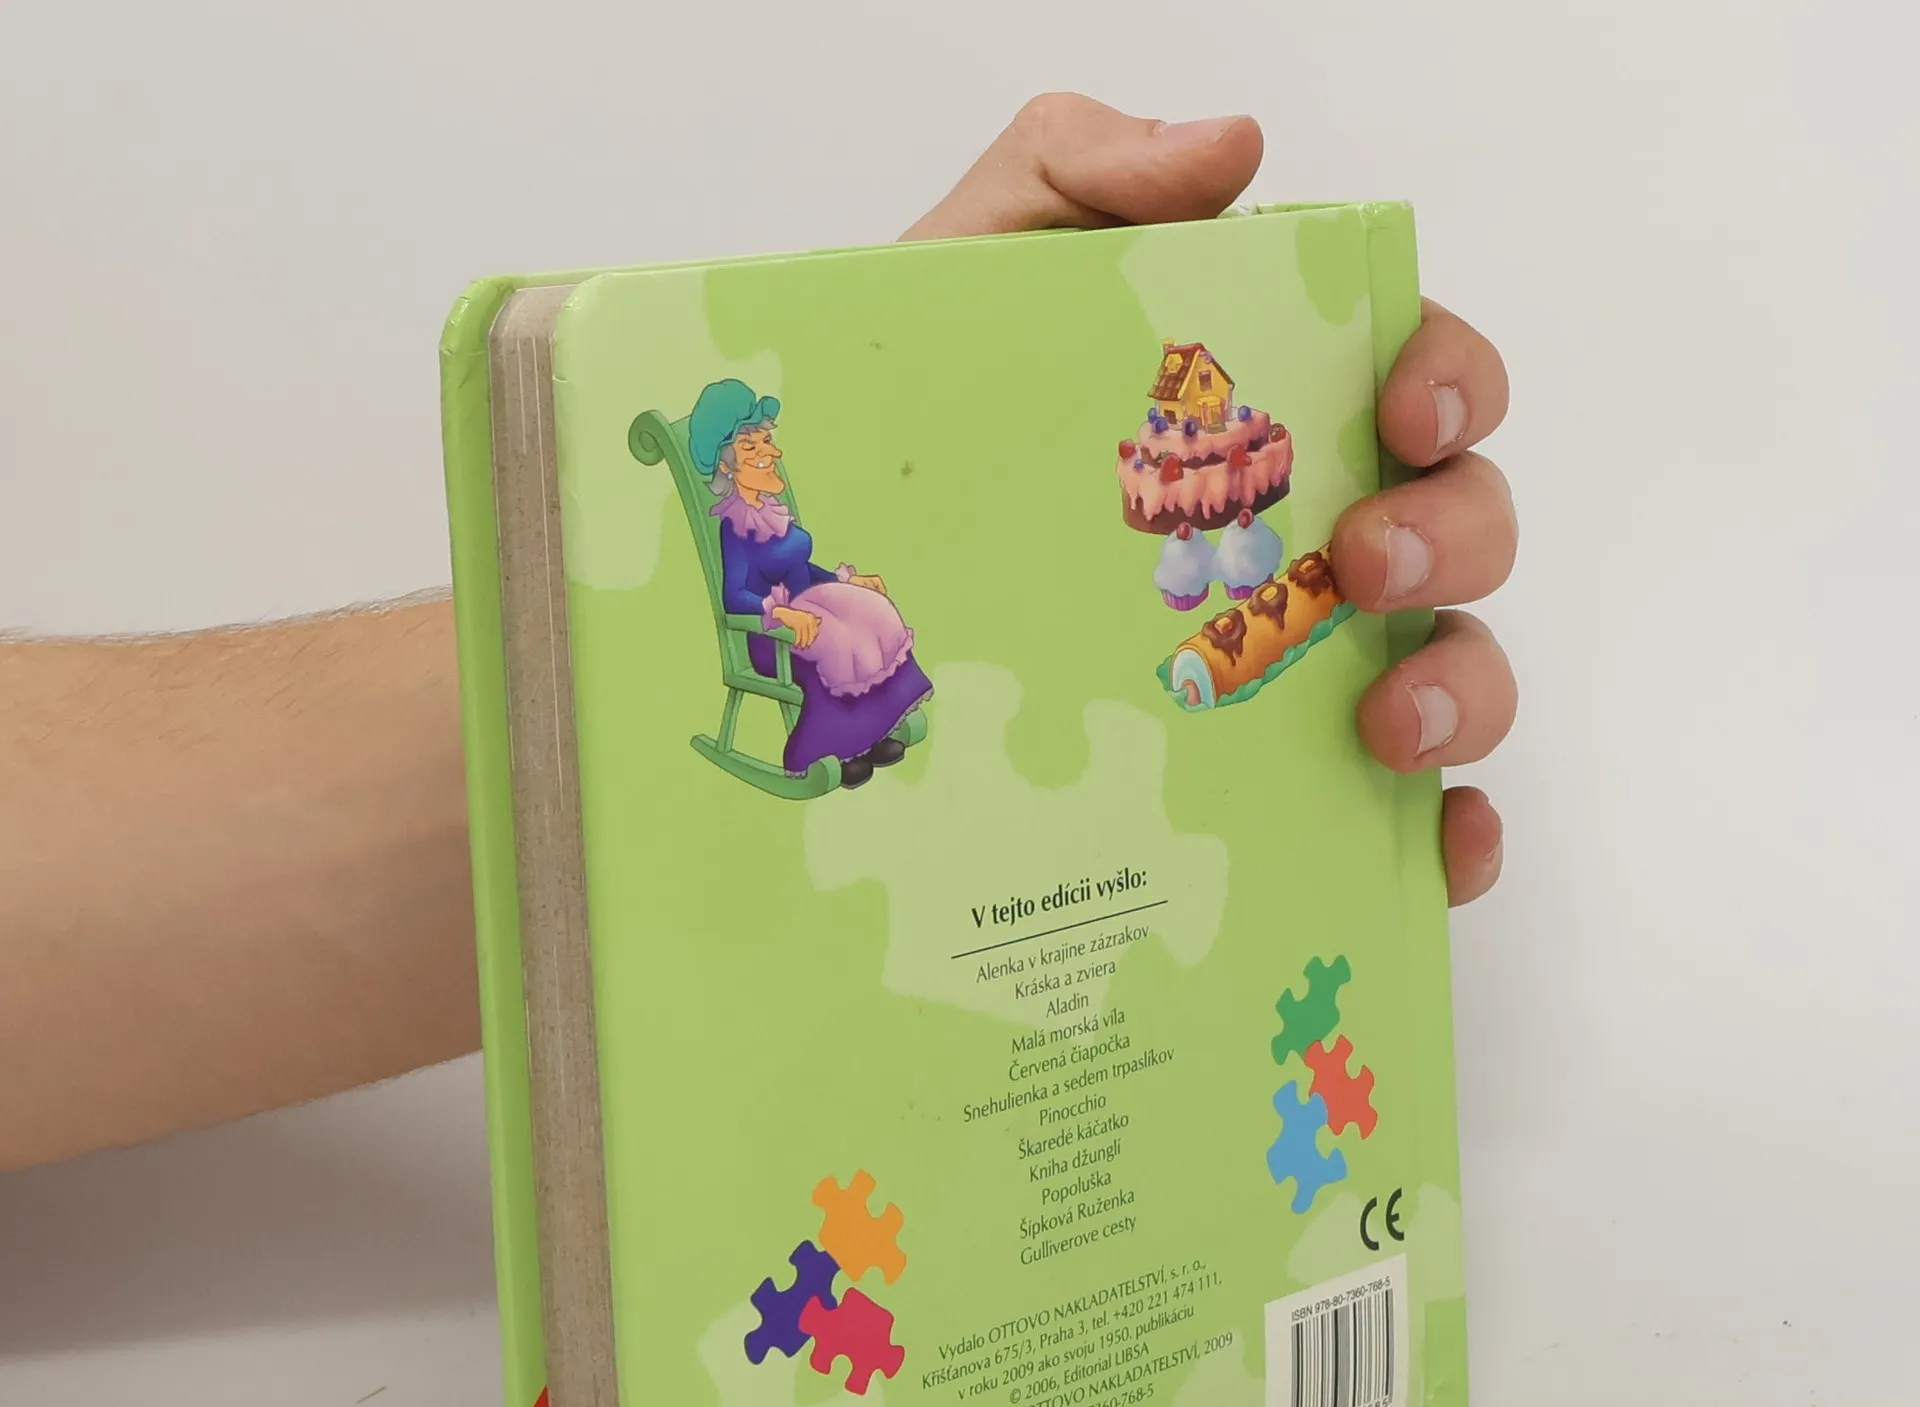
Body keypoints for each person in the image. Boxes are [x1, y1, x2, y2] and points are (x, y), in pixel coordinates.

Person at [0, 96, 1518, 1173]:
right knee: (846, 626)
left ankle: (877, 715)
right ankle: (848, 720)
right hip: (766, 619)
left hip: (853, 613)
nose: (770, 471)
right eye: (759, 460)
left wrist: (935, 374)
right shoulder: (736, 525)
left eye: (772, 457)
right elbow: (753, 584)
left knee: (879, 610)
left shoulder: (781, 504)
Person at [692, 381, 933, 786]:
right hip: (772, 634)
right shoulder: (735, 527)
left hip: (811, 609)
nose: (769, 453)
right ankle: (822, 751)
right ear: (726, 465)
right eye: (750, 448)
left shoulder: (773, 511)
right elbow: (734, 596)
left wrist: (847, 582)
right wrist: (782, 612)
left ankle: (872, 733)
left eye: (766, 441)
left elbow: (799, 566)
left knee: (871, 612)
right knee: (836, 641)